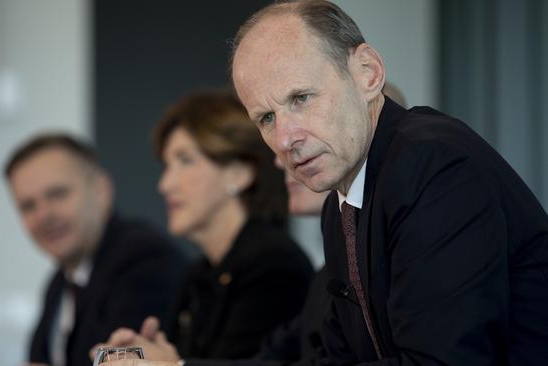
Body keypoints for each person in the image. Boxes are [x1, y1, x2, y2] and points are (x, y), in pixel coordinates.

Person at [230, 0, 548, 365]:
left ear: (368, 72)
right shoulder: (341, 207)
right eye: (266, 118)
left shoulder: (433, 165)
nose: (285, 139)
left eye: (301, 98)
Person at [98, 89, 314, 361]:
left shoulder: (276, 265)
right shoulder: (197, 274)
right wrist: (139, 353)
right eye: (166, 166)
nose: (165, 185)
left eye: (185, 160)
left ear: (239, 173)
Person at [4, 133, 186, 366]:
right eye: (28, 206)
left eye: (58, 194)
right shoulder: (59, 283)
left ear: (101, 190)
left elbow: (123, 360)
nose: (43, 216)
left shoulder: (143, 258)